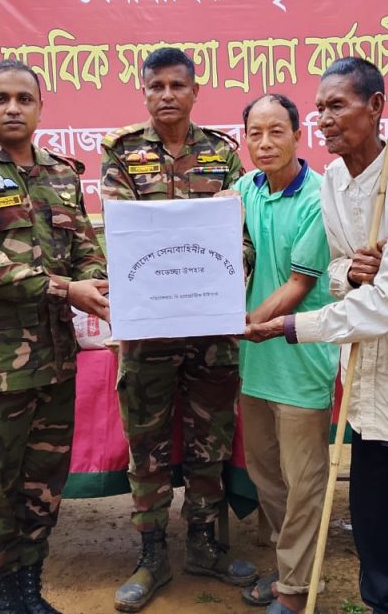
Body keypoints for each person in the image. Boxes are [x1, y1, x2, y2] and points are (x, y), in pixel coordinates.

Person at [245, 57, 388, 614]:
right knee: (370, 504)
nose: (324, 118)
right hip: (363, 379)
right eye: (320, 107)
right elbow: (333, 274)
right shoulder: (333, 187)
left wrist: (292, 326)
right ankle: (381, 601)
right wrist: (348, 272)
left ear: (376, 108)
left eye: (337, 105)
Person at [0, 58, 110, 614]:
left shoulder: (60, 172)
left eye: (24, 98)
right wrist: (65, 289)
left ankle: (30, 589)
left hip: (56, 361)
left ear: (40, 106)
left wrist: (94, 280)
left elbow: (84, 246)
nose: (13, 107)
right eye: (0, 98)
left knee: (42, 482)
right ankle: (3, 598)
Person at [100, 47, 258, 612]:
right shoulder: (121, 154)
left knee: (209, 441)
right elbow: (121, 240)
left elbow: (242, 234)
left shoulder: (222, 153)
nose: (166, 94)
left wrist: (228, 272)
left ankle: (205, 547)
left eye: (177, 85)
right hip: (148, 332)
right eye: (156, 86)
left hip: (211, 329)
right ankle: (150, 556)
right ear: (143, 92)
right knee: (146, 445)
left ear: (195, 91)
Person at [232, 94, 339, 614]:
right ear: (245, 139)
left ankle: (296, 591)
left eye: (277, 131)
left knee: (305, 482)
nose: (265, 143)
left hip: (300, 359)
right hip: (255, 365)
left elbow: (298, 284)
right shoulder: (244, 190)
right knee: (265, 475)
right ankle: (289, 567)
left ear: (300, 135)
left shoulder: (319, 197)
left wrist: (243, 322)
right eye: (255, 133)